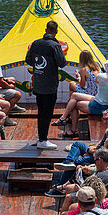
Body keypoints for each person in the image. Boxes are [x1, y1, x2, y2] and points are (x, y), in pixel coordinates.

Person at [25, 19, 66, 149]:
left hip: (38, 83)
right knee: (47, 113)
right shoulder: (55, 46)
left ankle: (41, 138)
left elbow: (28, 60)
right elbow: (62, 63)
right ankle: (43, 140)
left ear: (45, 30)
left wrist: (39, 67)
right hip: (49, 85)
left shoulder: (36, 43)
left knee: (41, 111)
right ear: (56, 32)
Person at [59, 58, 108, 133]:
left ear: (107, 65)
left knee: (74, 104)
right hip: (100, 100)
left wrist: (79, 78)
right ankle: (64, 117)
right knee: (74, 95)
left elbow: (97, 81)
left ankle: (73, 130)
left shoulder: (101, 76)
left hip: (99, 106)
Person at [0, 40, 25, 114]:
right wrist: (10, 86)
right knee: (17, 94)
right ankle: (5, 114)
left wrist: (8, 81)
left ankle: (13, 105)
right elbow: (0, 82)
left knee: (12, 79)